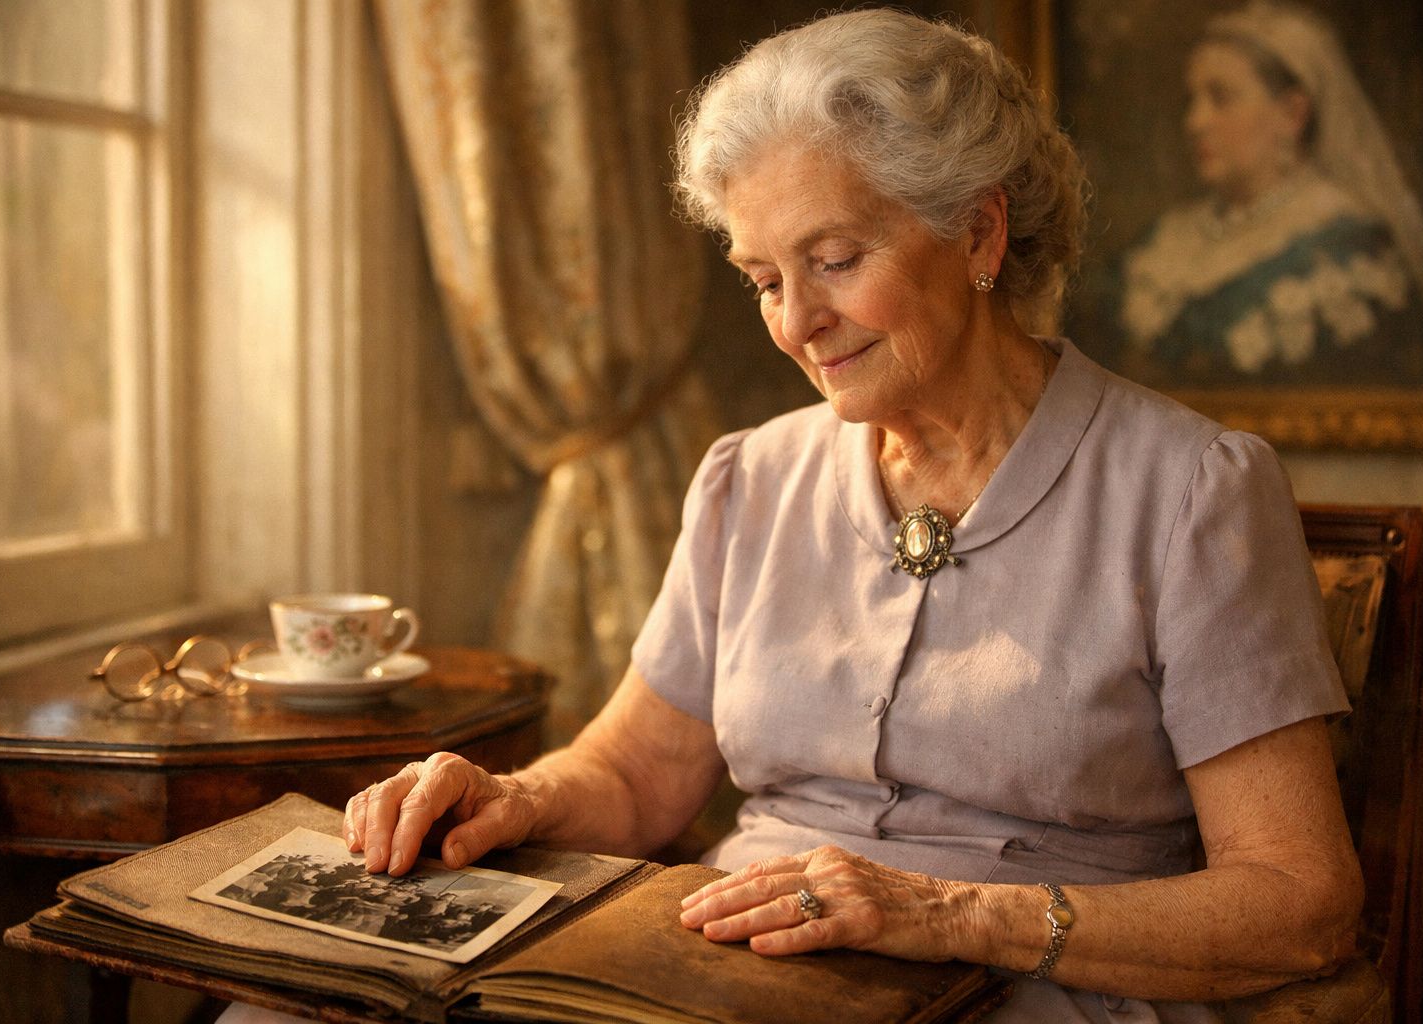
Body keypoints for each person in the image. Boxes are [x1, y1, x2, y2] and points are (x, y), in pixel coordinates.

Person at [226, 8, 1362, 1023]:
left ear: (979, 234)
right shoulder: (751, 479)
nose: (796, 323)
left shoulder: (1192, 491)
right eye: (765, 278)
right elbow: (637, 774)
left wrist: (953, 913)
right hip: (728, 979)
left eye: (835, 260)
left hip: (1024, 988)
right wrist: (512, 796)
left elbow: (1299, 902)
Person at [1107, 1, 1423, 389]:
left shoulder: (1350, 246)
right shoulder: (1163, 241)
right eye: (1192, 100)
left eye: (1221, 98)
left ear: (1292, 114)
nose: (1195, 122)